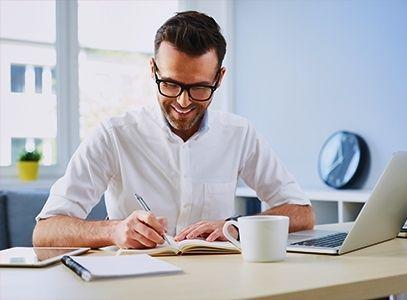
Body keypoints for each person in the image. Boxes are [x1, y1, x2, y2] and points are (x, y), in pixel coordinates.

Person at [33, 11, 314, 249]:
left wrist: (235, 228)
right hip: (135, 287)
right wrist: (115, 231)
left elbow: (301, 213)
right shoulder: (114, 135)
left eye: (200, 88)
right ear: (153, 70)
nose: (183, 101)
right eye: (170, 84)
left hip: (217, 286)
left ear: (219, 78)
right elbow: (45, 232)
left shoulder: (239, 134)